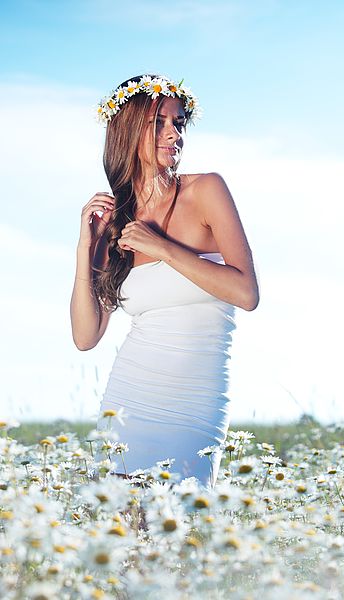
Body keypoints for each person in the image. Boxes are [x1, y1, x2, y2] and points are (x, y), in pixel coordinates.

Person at [70, 73, 259, 491]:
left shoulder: (206, 190)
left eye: (178, 122)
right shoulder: (115, 221)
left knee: (180, 536)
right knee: (124, 542)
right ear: (128, 131)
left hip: (196, 405)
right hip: (129, 399)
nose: (174, 134)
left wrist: (165, 249)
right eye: (159, 122)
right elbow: (86, 337)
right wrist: (85, 250)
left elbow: (246, 293)